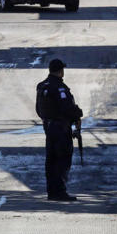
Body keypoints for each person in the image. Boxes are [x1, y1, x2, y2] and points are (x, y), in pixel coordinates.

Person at [36, 59, 83, 201]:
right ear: (61, 71)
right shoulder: (59, 88)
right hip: (60, 128)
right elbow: (67, 108)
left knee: (51, 161)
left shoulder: (42, 86)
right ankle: (60, 192)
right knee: (62, 160)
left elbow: (38, 109)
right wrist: (78, 114)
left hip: (49, 128)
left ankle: (52, 191)